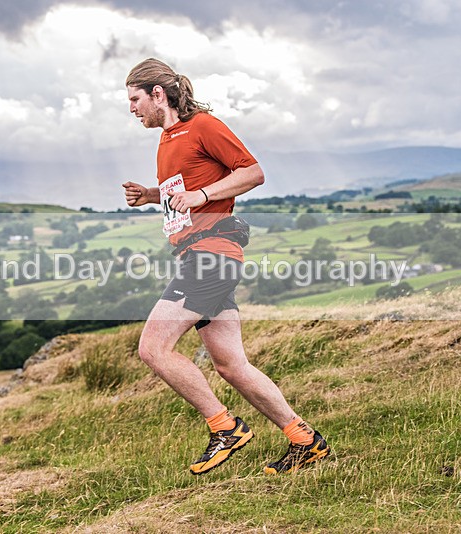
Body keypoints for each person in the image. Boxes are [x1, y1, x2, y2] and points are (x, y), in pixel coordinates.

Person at [122, 58, 330, 474]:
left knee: (153, 348)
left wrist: (201, 198)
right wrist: (151, 195)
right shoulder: (166, 138)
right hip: (201, 255)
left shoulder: (202, 125)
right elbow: (184, 191)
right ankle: (305, 441)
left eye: (135, 99)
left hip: (211, 256)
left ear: (158, 94)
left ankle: (225, 427)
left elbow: (253, 172)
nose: (131, 109)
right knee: (231, 365)